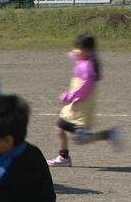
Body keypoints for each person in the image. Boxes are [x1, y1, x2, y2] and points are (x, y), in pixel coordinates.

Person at [46, 34, 120, 167]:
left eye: (78, 48)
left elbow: (84, 88)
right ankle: (64, 158)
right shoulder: (85, 61)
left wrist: (68, 96)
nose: (74, 51)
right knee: (59, 128)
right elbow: (74, 55)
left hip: (81, 107)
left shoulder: (87, 67)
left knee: (81, 139)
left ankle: (108, 134)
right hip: (74, 107)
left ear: (87, 50)